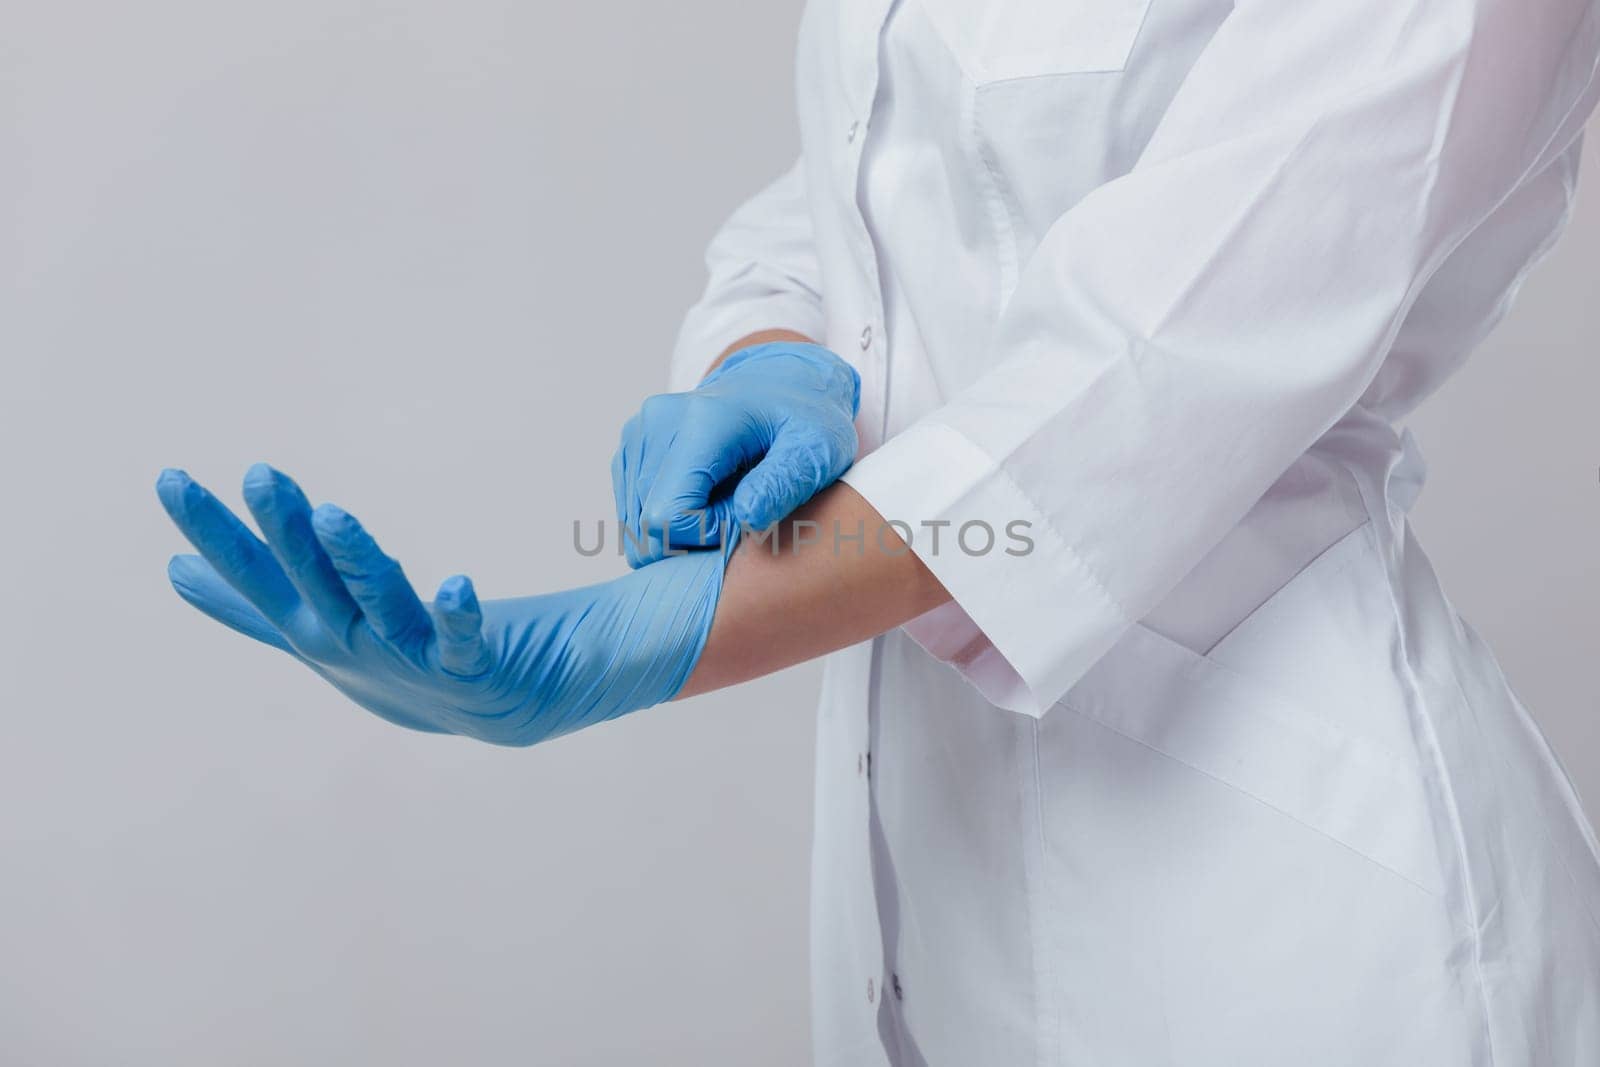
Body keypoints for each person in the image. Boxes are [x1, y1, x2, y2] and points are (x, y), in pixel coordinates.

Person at [158, 0, 1600, 1062]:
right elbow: (861, 174)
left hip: (1293, 945)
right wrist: (767, 350)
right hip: (922, 894)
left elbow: (1151, 375)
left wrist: (655, 639)